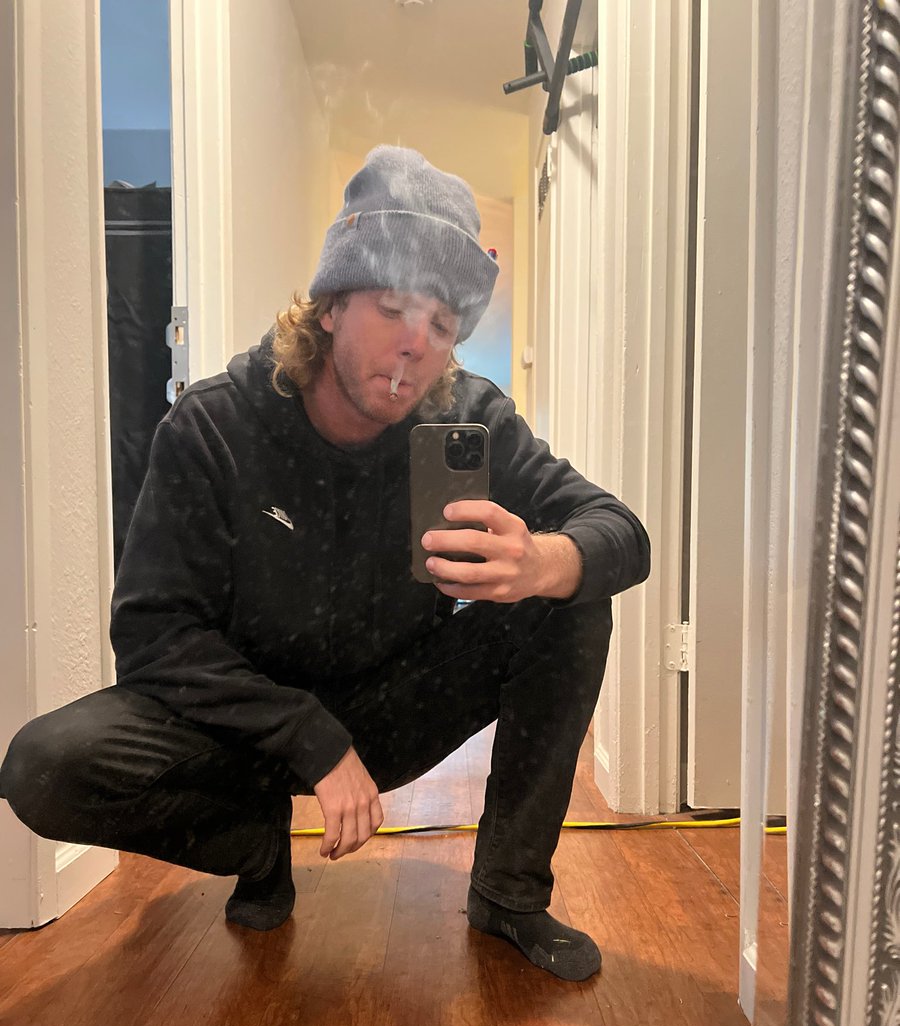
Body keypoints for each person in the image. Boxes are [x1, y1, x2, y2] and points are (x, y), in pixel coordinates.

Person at [0, 146, 650, 982]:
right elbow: (154, 635)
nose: (415, 345)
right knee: (43, 766)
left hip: (391, 708)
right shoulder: (214, 428)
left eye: (442, 326)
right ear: (332, 305)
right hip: (242, 725)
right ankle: (253, 844)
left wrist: (543, 560)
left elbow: (621, 532)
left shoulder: (468, 420)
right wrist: (309, 737)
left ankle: (509, 893)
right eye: (393, 307)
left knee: (574, 595)